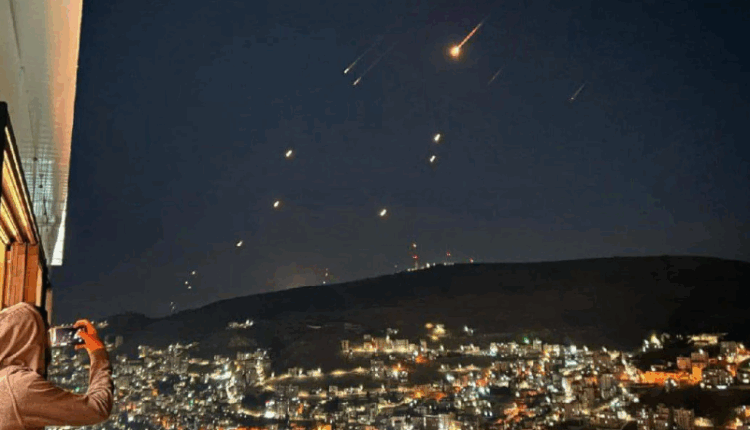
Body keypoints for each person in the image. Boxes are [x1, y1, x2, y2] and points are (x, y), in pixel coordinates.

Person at [0, 302, 114, 429]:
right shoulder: (19, 387)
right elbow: (98, 407)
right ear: (30, 341)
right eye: (43, 336)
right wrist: (98, 352)